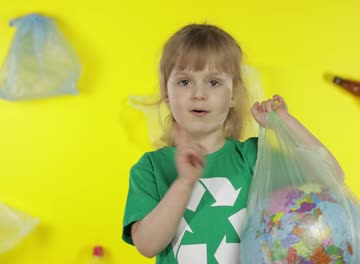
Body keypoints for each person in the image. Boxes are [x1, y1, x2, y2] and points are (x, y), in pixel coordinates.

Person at [122, 23, 324, 264]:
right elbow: (146, 245)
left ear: (233, 95)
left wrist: (285, 124)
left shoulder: (255, 157)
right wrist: (184, 182)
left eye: (214, 82)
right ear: (166, 93)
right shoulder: (151, 168)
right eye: (185, 82)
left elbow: (329, 175)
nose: (199, 94)